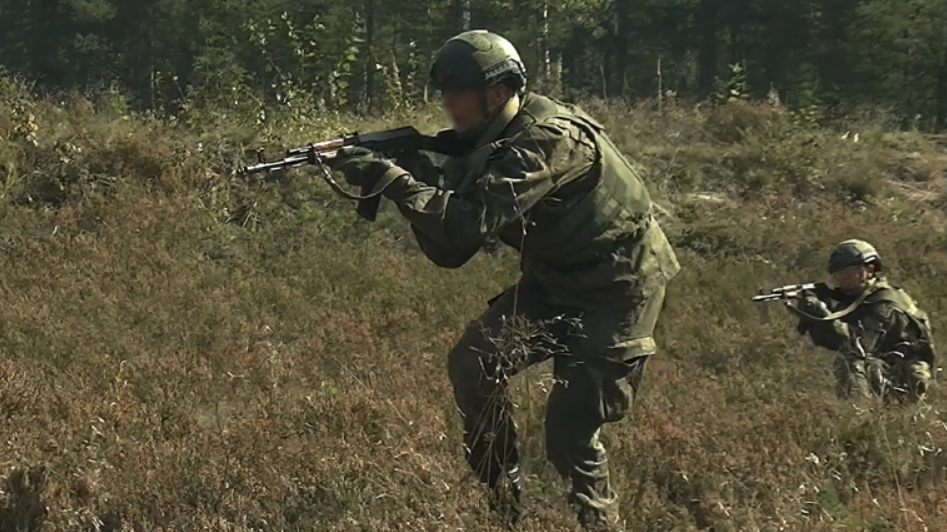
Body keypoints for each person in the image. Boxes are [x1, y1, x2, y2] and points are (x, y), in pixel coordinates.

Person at [327, 30, 679, 530]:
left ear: (496, 93)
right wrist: (410, 169)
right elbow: (451, 250)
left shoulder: (545, 140)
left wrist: (395, 181)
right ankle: (503, 505)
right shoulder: (490, 139)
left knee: (570, 431)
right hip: (554, 281)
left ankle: (599, 525)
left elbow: (464, 226)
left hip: (619, 289)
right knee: (473, 363)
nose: (447, 105)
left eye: (457, 93)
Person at [790, 239, 934, 402]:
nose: (841, 276)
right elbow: (828, 340)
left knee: (850, 362)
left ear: (870, 269)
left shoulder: (884, 303)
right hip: (880, 369)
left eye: (848, 270)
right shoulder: (857, 297)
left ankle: (856, 416)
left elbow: (857, 344)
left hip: (902, 380)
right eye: (837, 271)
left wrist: (818, 309)